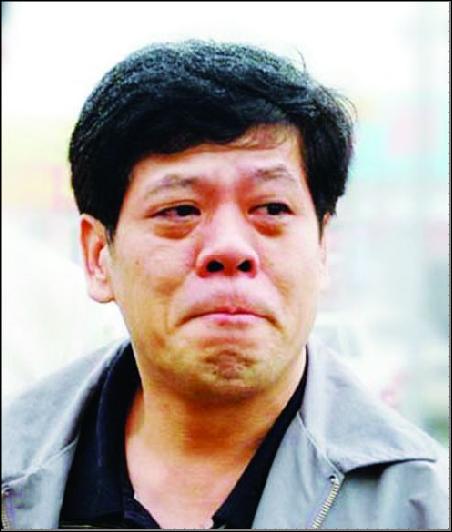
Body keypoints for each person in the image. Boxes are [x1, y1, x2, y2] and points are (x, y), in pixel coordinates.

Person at [2, 40, 448, 530]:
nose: (230, 248)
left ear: (322, 248)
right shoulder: (15, 475)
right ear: (97, 257)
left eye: (272, 208)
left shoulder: (422, 503)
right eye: (180, 211)